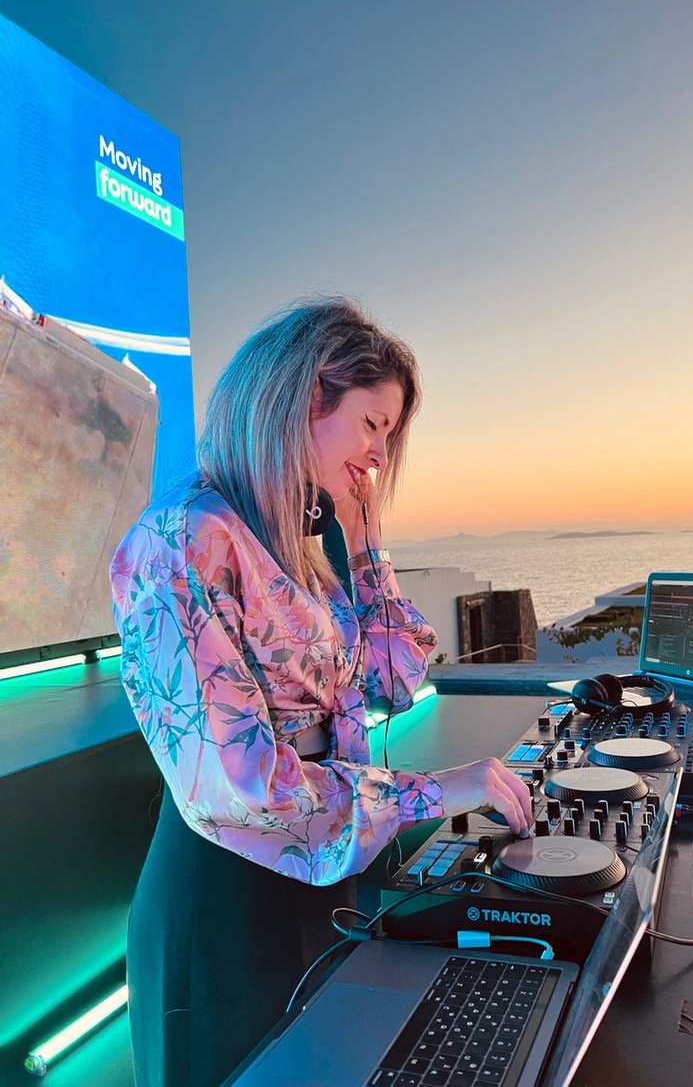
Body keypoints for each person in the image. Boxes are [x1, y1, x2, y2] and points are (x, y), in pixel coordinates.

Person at [110, 298, 532, 1087]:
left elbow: (397, 677)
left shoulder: (299, 546)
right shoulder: (182, 541)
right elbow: (243, 786)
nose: (381, 454)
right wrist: (433, 792)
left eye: (389, 434)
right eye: (372, 424)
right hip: (225, 896)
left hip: (325, 868)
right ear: (307, 395)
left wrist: (365, 542)